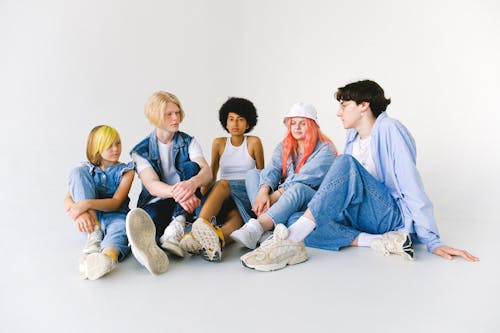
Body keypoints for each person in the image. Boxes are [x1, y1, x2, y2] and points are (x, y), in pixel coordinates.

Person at [241, 80, 480, 272]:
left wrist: (433, 240)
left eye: (344, 105)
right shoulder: (352, 138)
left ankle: (289, 243)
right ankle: (378, 242)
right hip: (360, 217)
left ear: (364, 105)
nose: (338, 112)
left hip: (388, 213)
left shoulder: (390, 129)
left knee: (343, 163)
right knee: (292, 218)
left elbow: (411, 185)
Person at [230, 102, 337, 252]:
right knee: (252, 174)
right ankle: (264, 228)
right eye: (293, 123)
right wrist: (263, 191)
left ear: (312, 125)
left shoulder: (326, 149)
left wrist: (274, 196)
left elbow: (304, 178)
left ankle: (257, 226)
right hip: (284, 199)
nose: (297, 127)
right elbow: (273, 168)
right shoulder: (285, 146)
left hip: (310, 198)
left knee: (298, 188)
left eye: (302, 124)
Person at [126, 91, 212, 275]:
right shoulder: (140, 151)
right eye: (169, 114)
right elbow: (152, 185)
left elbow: (207, 172)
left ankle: (177, 225)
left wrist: (192, 184)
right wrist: (180, 193)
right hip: (164, 200)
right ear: (156, 117)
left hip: (187, 202)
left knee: (193, 167)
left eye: (177, 112)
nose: (175, 118)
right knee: (150, 219)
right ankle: (154, 247)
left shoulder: (189, 141)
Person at [180, 97, 265, 262]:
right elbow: (212, 174)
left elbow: (261, 174)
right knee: (223, 184)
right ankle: (196, 231)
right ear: (225, 122)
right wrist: (201, 198)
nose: (235, 124)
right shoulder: (218, 143)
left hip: (245, 191)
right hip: (222, 190)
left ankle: (218, 241)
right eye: (231, 119)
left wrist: (263, 199)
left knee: (237, 218)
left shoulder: (254, 142)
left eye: (241, 120)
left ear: (248, 124)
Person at [64, 125, 135, 280]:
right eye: (109, 145)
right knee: (76, 172)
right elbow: (68, 200)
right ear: (97, 148)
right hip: (91, 219)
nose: (116, 149)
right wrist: (80, 214)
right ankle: (94, 234)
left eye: (118, 143)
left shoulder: (126, 171)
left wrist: (86, 204)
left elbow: (116, 202)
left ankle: (107, 258)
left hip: (116, 214)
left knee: (120, 229)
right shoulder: (86, 169)